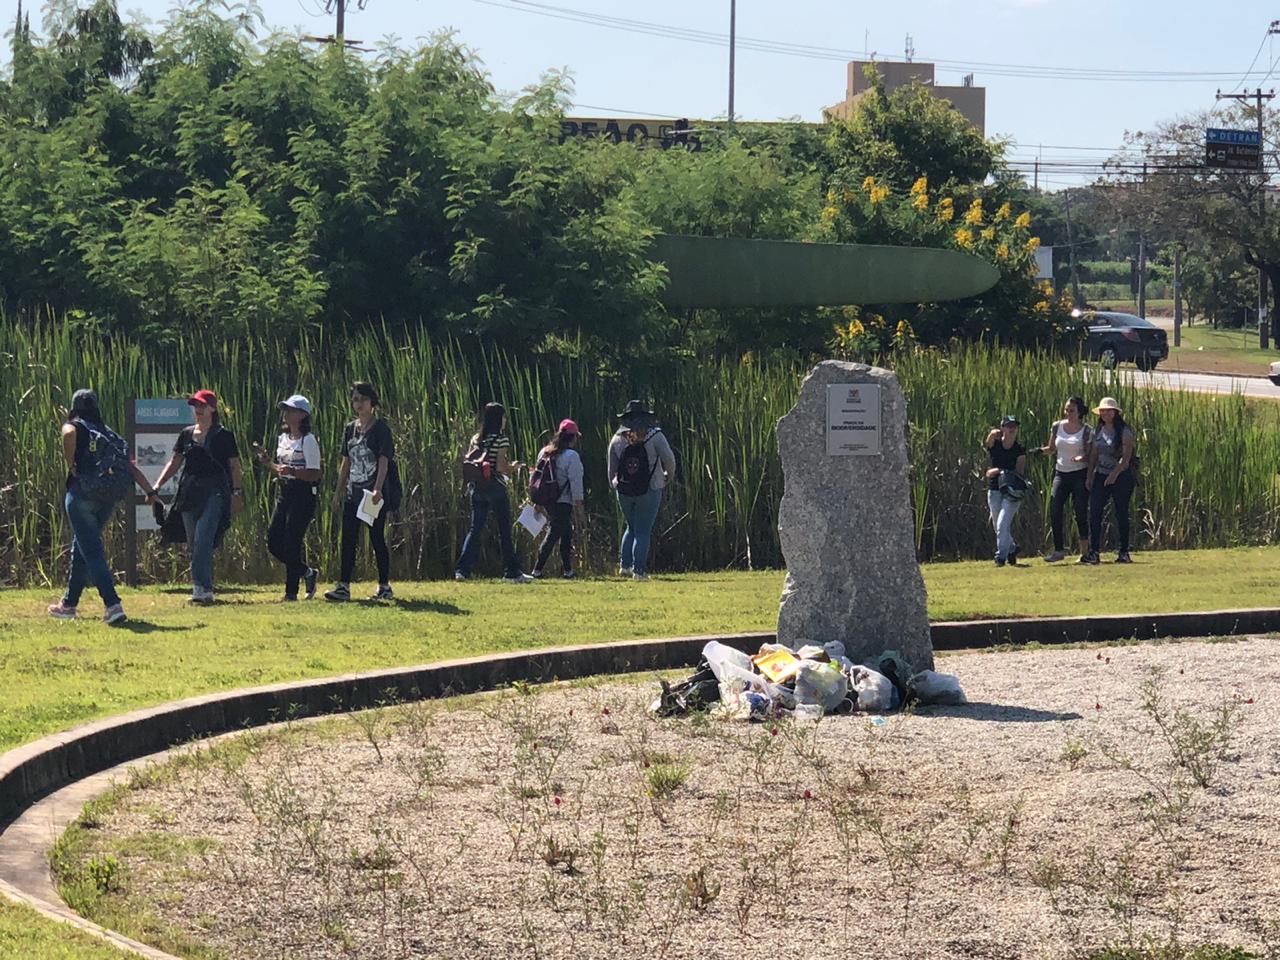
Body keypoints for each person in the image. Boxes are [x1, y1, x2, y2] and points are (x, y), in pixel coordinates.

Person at [48, 389, 158, 624]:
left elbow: (68, 434)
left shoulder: (76, 425)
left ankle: (112, 604)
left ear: (74, 408)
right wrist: (150, 492)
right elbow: (130, 467)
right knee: (82, 547)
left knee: (92, 551)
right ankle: (68, 605)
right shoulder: (108, 434)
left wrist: (71, 464)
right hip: (107, 498)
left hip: (82, 496)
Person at [151, 389, 243, 604]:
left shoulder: (224, 436)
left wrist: (237, 493)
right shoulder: (186, 434)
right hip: (190, 492)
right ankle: (200, 585)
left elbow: (234, 466)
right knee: (193, 542)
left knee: (203, 538)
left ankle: (203, 588)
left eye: (202, 406)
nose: (198, 410)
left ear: (212, 409)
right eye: (195, 406)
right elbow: (175, 462)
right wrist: (157, 485)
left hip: (215, 492)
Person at [325, 382, 401, 601]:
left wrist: (377, 489)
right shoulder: (350, 428)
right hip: (353, 492)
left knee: (376, 537)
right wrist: (338, 492)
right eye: (355, 399)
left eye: (363, 399)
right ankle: (343, 586)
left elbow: (384, 461)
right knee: (348, 538)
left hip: (371, 494)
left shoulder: (380, 429)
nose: (359, 404)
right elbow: (346, 462)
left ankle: (384, 586)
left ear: (372, 402)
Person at [454, 402, 533, 583]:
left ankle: (462, 570)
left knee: (475, 529)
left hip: (477, 487)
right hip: (495, 486)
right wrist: (513, 467)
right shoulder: (501, 439)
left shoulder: (476, 439)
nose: (505, 420)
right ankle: (512, 572)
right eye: (504, 417)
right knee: (504, 530)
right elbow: (500, 466)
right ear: (499, 419)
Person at [255, 395, 321, 602]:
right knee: (274, 541)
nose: (286, 414)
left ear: (302, 415)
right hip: (285, 492)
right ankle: (307, 572)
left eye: (291, 410)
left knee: (293, 541)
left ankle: (291, 593)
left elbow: (315, 473)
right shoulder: (282, 439)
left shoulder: (308, 440)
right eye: (285, 410)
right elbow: (280, 469)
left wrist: (293, 471)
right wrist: (268, 463)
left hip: (303, 494)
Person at [608, 400, 676, 581]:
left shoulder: (617, 438)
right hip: (650, 488)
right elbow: (669, 460)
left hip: (624, 490)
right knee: (643, 531)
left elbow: (611, 470)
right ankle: (639, 571)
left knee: (631, 527)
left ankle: (625, 566)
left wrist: (616, 486)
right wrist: (667, 477)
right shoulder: (655, 436)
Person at [531, 419, 586, 580]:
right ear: (573, 438)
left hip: (547, 500)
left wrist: (537, 502)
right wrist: (579, 507)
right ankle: (537, 569)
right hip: (563, 501)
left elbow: (536, 478)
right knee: (554, 533)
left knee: (566, 533)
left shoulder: (544, 452)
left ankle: (568, 570)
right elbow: (576, 483)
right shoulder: (572, 456)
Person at [1084, 396, 1136, 565]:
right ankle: (1094, 552)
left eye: (1108, 411)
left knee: (1121, 512)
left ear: (1115, 412)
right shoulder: (1097, 431)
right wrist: (1090, 475)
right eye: (1102, 411)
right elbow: (1093, 455)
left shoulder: (1124, 432)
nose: (1105, 414)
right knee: (1095, 512)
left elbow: (1126, 458)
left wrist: (1114, 474)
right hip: (1101, 475)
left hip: (1121, 476)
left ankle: (1123, 552)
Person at [1041, 396, 1093, 562]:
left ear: (1079, 412)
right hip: (1061, 474)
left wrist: (1082, 458)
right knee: (1055, 508)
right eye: (1066, 410)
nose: (1068, 413)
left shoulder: (1087, 430)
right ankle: (1058, 550)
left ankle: (1084, 552)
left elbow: (1091, 455)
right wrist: (1039, 451)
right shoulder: (1057, 427)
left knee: (1080, 512)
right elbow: (1051, 448)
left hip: (1079, 474)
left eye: (1071, 410)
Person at [983, 415, 1027, 567]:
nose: (1011, 429)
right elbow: (988, 443)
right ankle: (1012, 548)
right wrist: (991, 433)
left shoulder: (1019, 449)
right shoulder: (996, 445)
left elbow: (1019, 473)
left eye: (1014, 426)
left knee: (1002, 524)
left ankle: (1000, 556)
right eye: (1008, 426)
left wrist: (999, 471)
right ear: (1002, 428)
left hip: (1012, 491)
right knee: (997, 525)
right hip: (995, 489)